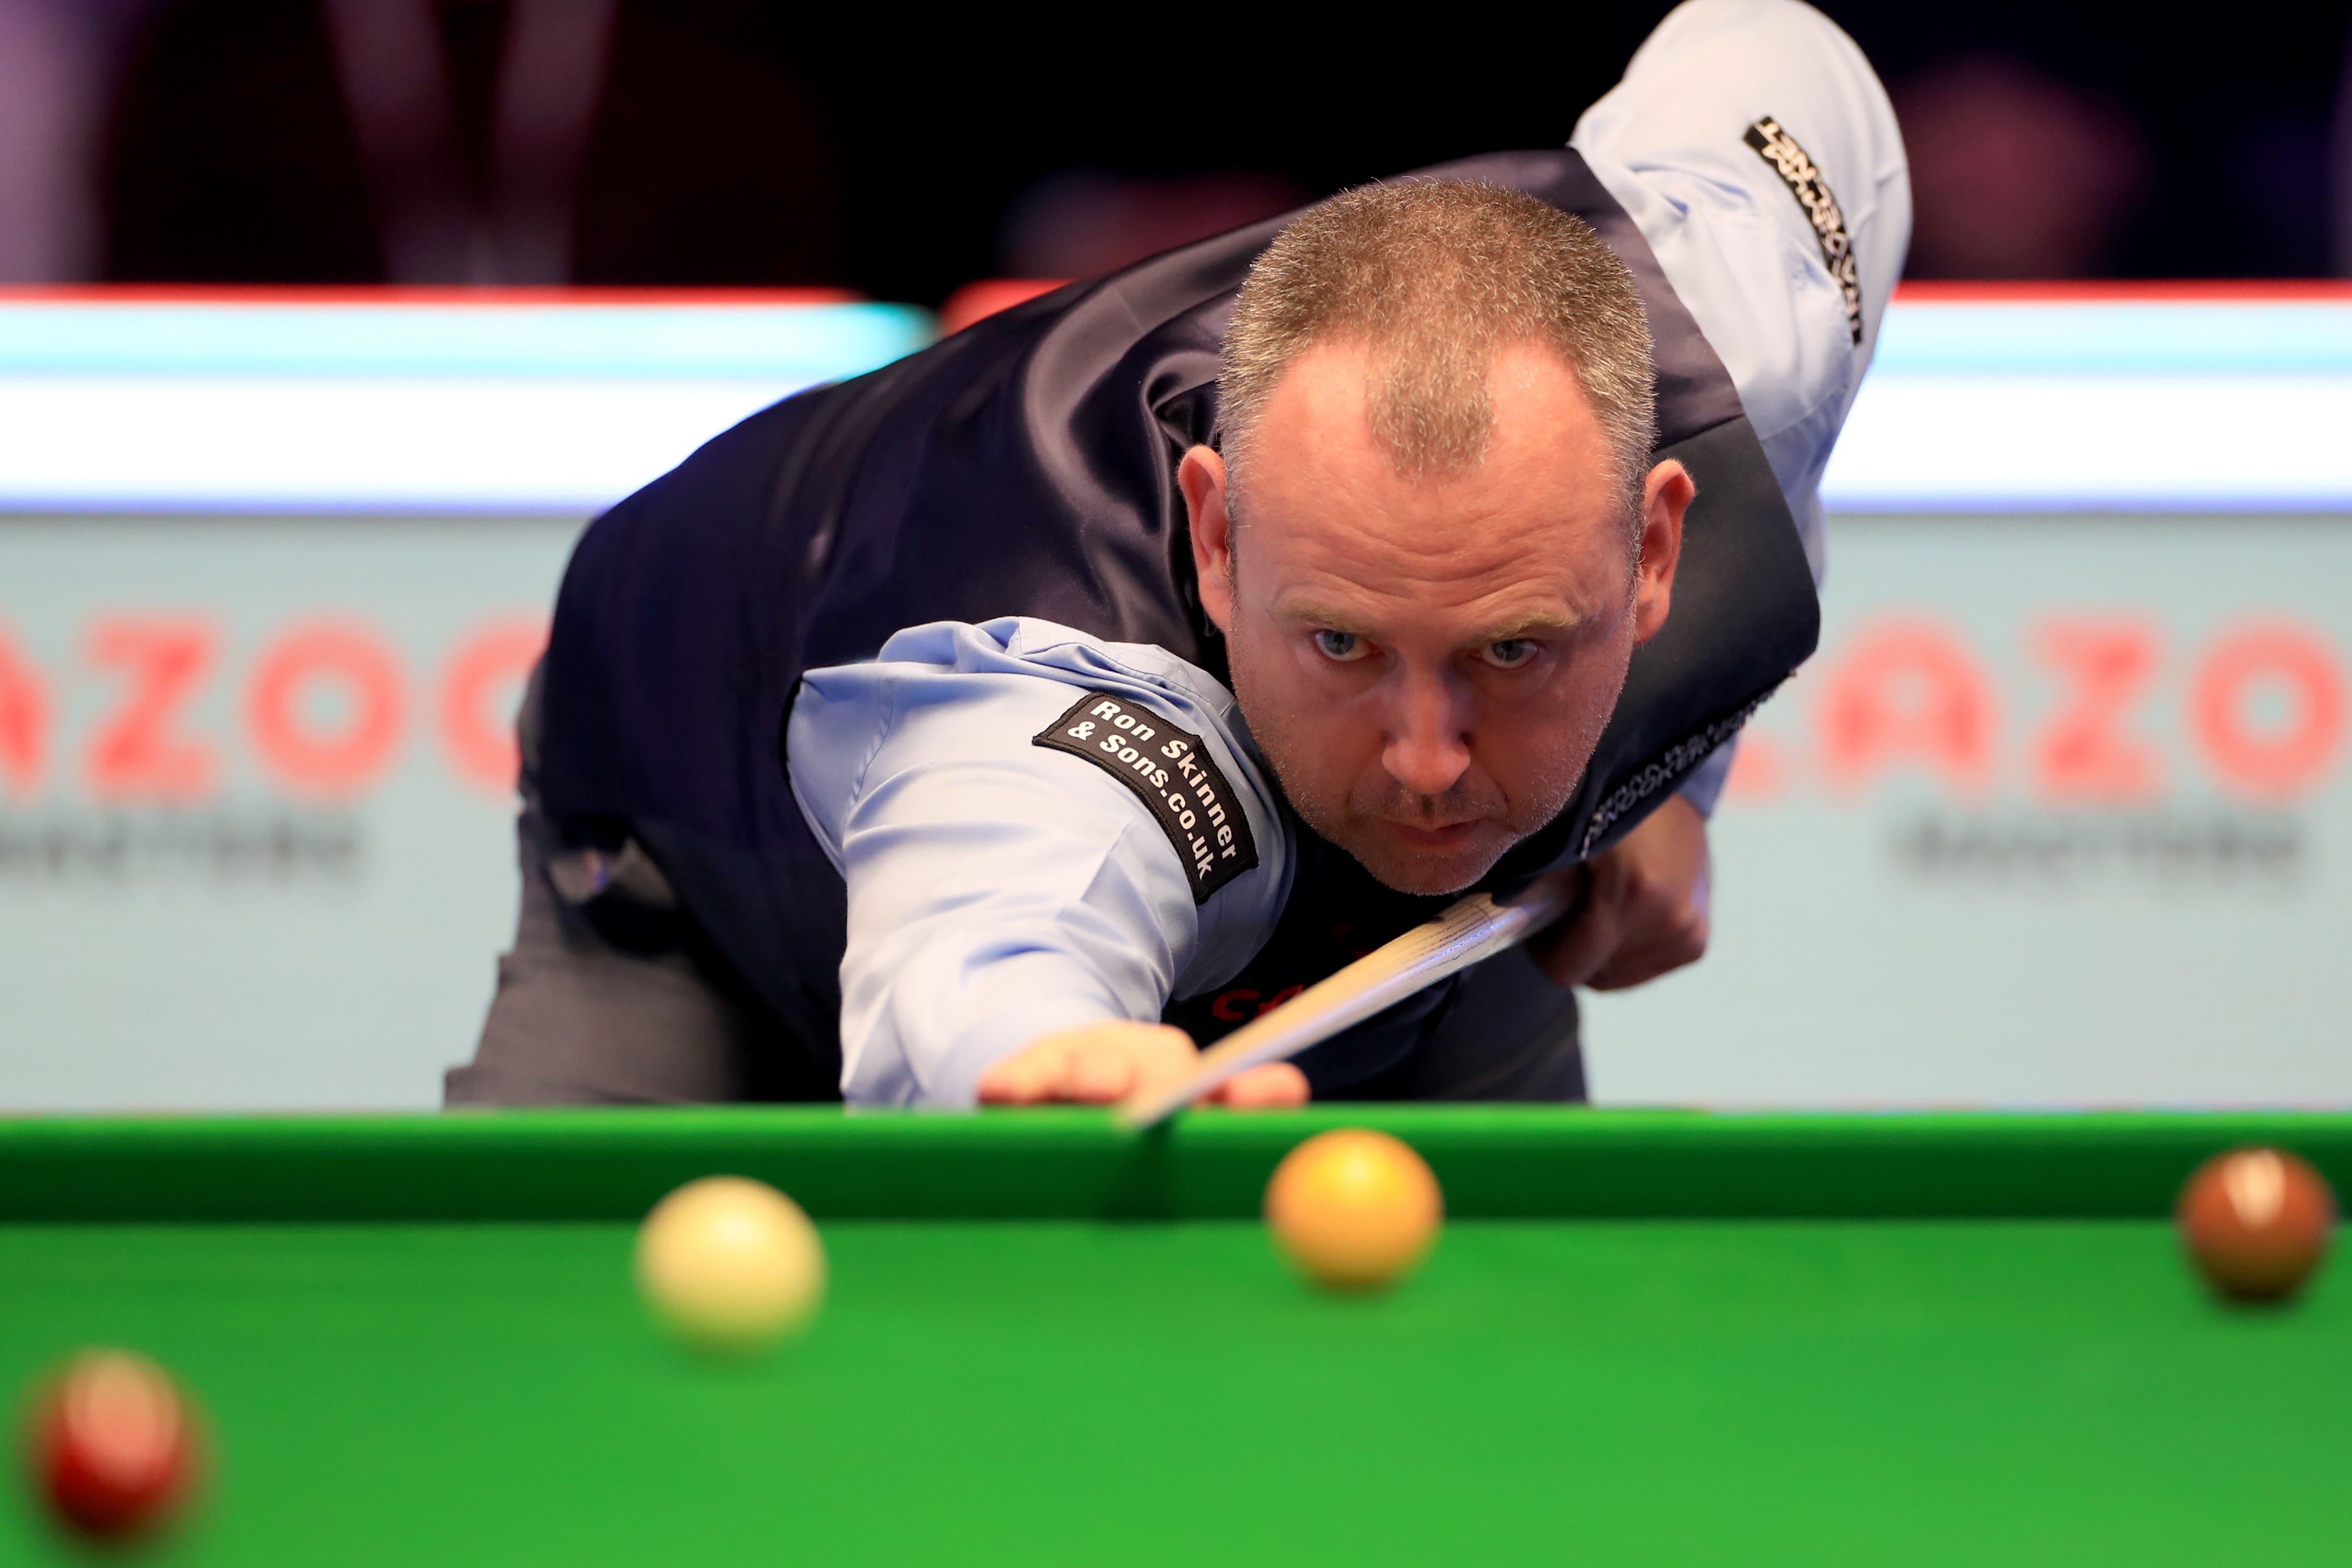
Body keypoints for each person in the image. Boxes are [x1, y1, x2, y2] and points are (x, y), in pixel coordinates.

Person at [445, 0, 1909, 1110]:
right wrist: (1045, 1063)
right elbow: (989, 942)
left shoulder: (1745, 324)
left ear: (1651, 548)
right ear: (1214, 537)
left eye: (1511, 650)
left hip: (1404, 920)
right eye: (1340, 641)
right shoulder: (1048, 707)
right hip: (695, 819)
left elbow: (1772, 47)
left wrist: (1666, 782)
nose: (1424, 757)